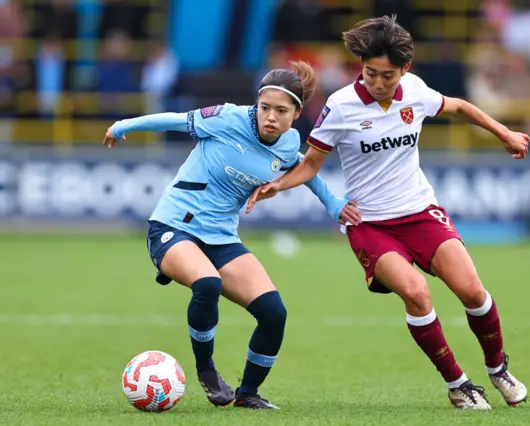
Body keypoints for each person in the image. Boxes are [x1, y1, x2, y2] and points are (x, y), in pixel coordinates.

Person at [246, 16, 529, 409]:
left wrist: (505, 134)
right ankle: (458, 384)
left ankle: (498, 369)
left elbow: (458, 106)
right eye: (369, 73)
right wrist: (277, 185)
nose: (377, 82)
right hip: (370, 224)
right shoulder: (341, 105)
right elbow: (311, 164)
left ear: (405, 70)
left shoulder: (414, 90)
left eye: (387, 75)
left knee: (472, 291)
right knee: (416, 293)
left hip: (420, 212)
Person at [102, 61, 361, 410]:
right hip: (173, 226)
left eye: (280, 111)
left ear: (297, 113)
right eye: (264, 107)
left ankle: (248, 394)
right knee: (207, 283)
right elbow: (177, 119)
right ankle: (207, 370)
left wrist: (333, 204)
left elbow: (305, 167)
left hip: (221, 238)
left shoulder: (288, 143)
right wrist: (124, 125)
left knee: (274, 312)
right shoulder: (226, 118)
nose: (269, 117)